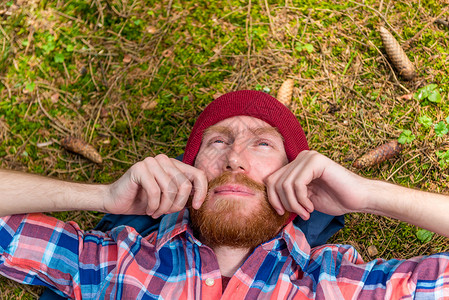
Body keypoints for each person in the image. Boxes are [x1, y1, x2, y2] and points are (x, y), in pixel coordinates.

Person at [1, 90, 449, 299]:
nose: (234, 159)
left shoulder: (336, 285)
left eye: (262, 144)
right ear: (187, 171)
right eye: (216, 142)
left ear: (295, 174)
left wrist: (369, 195)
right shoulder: (112, 264)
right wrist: (103, 198)